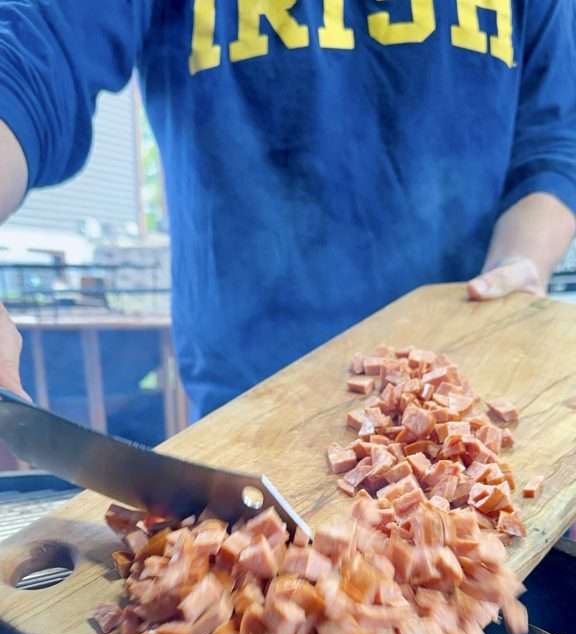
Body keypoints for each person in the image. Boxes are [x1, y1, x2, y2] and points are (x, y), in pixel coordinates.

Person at [0, 1, 574, 417]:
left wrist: (521, 265)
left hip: (462, 395)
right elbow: (29, 59)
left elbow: (552, 146)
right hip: (246, 411)